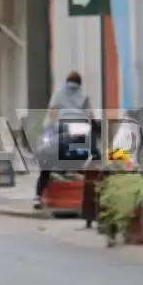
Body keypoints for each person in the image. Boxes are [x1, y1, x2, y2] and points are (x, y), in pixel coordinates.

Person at [34, 71, 95, 207]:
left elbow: (51, 114)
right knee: (80, 162)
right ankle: (84, 196)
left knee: (47, 165)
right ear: (80, 84)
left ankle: (38, 196)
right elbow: (89, 116)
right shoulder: (84, 96)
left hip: (60, 131)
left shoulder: (59, 93)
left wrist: (46, 131)